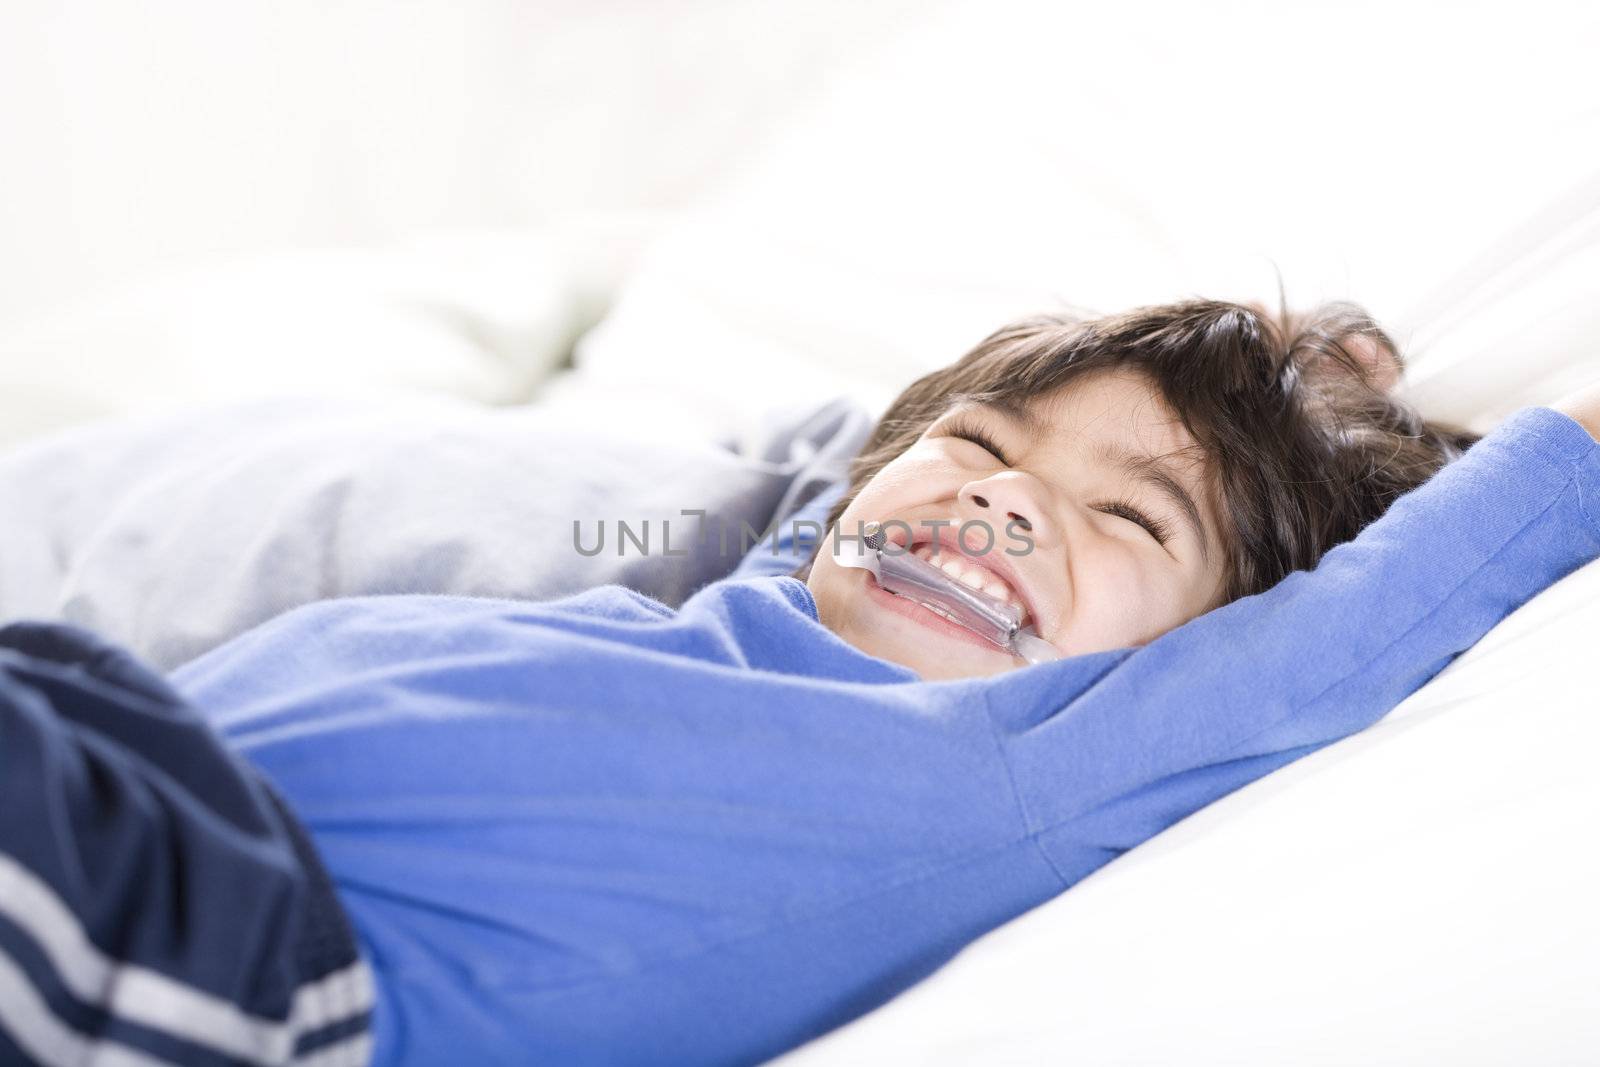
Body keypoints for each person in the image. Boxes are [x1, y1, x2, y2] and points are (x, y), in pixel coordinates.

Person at [3, 299, 1598, 1067]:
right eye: (982, 453)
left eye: (1129, 516)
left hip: (219, 952)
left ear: (1191, 649)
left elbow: (1392, 595)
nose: (1004, 498)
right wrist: (1287, 369)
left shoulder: (1025, 758)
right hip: (89, 766)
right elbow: (860, 454)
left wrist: (1368, 459)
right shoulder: (764, 582)